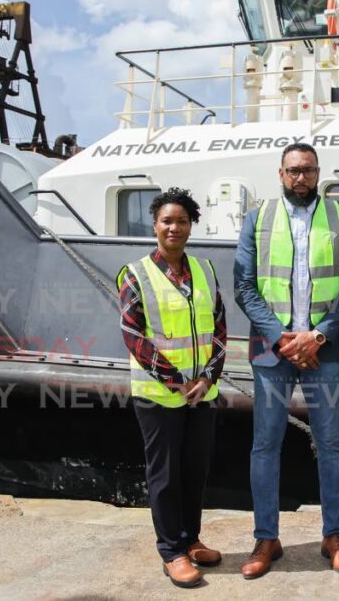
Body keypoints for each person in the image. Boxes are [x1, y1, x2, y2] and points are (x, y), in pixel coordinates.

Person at [234, 143, 339, 579]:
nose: (300, 178)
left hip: (323, 350)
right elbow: (245, 286)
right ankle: (266, 538)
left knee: (330, 444)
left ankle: (334, 536)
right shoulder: (257, 219)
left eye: (307, 170)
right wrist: (282, 338)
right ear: (280, 173)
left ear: (318, 172)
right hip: (274, 354)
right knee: (265, 446)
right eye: (293, 171)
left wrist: (318, 335)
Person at [117, 187, 227, 589]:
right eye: (167, 221)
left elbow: (218, 327)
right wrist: (177, 382)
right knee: (164, 475)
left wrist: (207, 378)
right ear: (155, 225)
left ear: (191, 225)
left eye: (181, 221)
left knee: (194, 471)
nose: (174, 228)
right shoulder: (136, 274)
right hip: (159, 395)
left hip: (202, 393)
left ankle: (191, 539)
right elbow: (134, 334)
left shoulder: (205, 270)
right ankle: (171, 552)